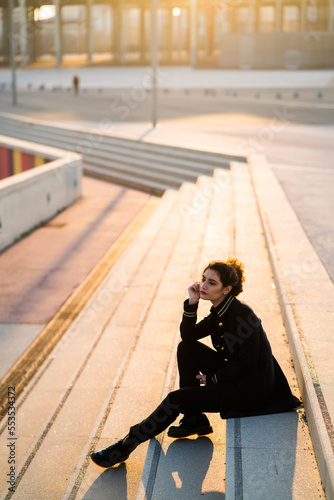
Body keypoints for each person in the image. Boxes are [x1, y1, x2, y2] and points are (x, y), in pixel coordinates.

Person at [91, 257, 299, 468]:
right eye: (203, 279)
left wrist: (213, 379)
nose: (203, 285)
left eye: (212, 282)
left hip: (250, 390)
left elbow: (247, 364)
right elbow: (189, 336)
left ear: (226, 289)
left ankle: (125, 446)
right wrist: (192, 303)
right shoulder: (221, 309)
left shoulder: (242, 315)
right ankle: (193, 418)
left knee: (175, 398)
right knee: (186, 348)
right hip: (236, 376)